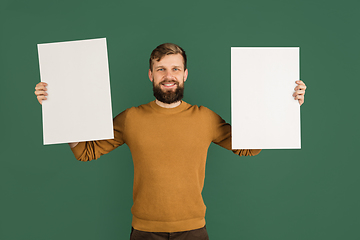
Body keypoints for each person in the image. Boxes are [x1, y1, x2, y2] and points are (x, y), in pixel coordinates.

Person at [34, 43, 307, 240]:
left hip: (193, 230)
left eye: (175, 69)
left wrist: (286, 102)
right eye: (161, 69)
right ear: (151, 75)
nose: (169, 75)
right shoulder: (131, 118)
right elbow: (85, 151)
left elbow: (250, 146)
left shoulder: (205, 118)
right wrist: (55, 105)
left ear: (185, 74)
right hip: (143, 231)